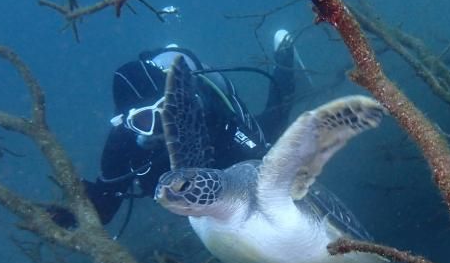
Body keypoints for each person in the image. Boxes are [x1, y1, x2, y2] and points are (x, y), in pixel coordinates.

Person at [50, 30, 302, 233]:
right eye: (144, 119)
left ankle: (284, 55)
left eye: (165, 111)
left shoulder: (205, 112)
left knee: (269, 139)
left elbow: (262, 163)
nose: (160, 127)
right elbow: (104, 207)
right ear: (126, 123)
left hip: (221, 129)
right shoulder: (122, 144)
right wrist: (70, 211)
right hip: (194, 194)